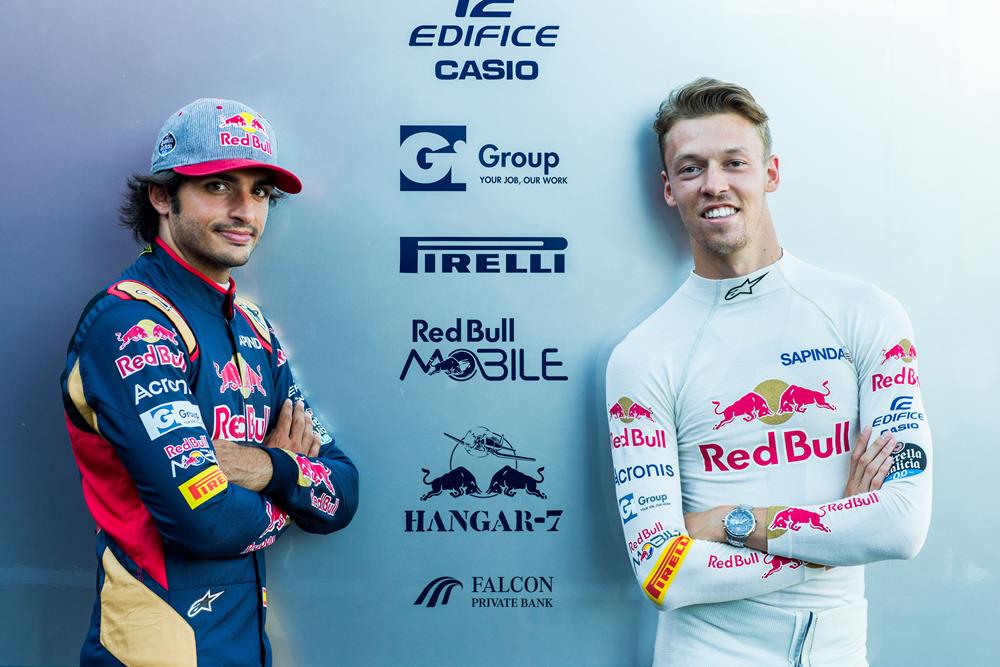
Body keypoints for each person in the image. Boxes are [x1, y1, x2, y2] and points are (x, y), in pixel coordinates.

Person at [605, 78, 931, 666]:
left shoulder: (865, 315)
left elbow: (900, 526)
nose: (714, 184)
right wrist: (837, 534)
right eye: (691, 168)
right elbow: (662, 573)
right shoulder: (644, 355)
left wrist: (733, 522)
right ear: (669, 190)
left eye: (735, 162)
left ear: (771, 173)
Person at [60, 98, 359, 666]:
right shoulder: (131, 323)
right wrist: (293, 493)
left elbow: (343, 492)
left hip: (244, 644)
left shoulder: (253, 325)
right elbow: (208, 524)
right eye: (219, 186)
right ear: (162, 195)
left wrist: (270, 467)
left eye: (261, 191)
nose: (245, 210)